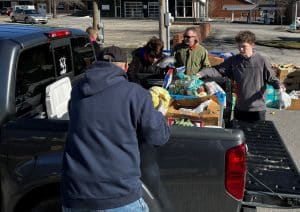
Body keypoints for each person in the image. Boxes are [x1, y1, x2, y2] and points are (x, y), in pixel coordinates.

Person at [61, 46, 170, 212]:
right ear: (125, 67)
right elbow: (158, 136)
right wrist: (160, 114)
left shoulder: (77, 92)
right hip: (119, 196)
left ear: (96, 64)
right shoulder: (135, 94)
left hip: (76, 196)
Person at [197, 30, 282, 122]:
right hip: (240, 107)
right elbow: (217, 70)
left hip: (258, 109)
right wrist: (202, 73)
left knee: (256, 135)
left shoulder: (261, 60)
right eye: (239, 46)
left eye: (244, 46)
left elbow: (272, 78)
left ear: (252, 45)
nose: (240, 49)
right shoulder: (234, 60)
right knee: (239, 134)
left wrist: (280, 87)